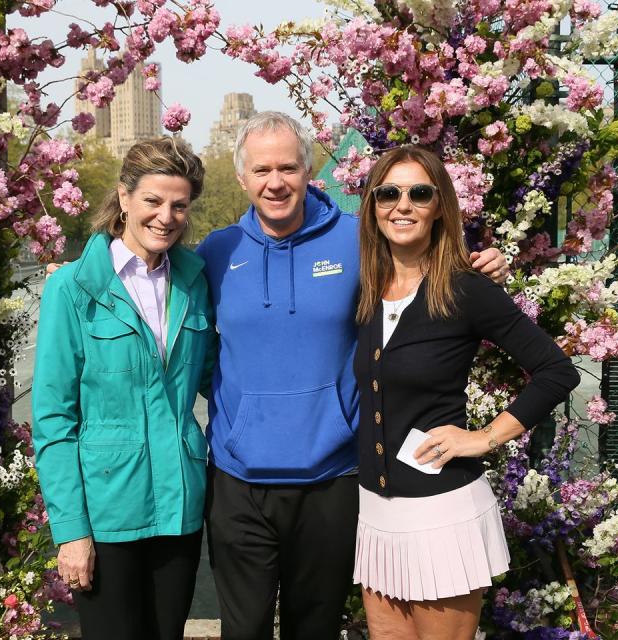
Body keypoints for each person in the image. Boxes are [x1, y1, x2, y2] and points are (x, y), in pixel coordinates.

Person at [195, 113, 510, 640]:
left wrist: (484, 265)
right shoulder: (216, 252)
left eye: (289, 168)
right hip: (238, 480)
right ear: (243, 178)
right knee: (242, 630)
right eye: (262, 170)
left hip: (332, 479)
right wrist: (246, 411)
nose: (277, 182)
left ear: (310, 168)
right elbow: (193, 345)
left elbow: (425, 261)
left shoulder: (359, 241)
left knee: (314, 628)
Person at [351, 146, 580, 639]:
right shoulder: (367, 289)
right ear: (372, 206)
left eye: (419, 193)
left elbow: (556, 371)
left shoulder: (465, 289)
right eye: (388, 193)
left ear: (440, 206)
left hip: (440, 511)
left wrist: (485, 437)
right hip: (376, 511)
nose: (402, 205)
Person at [31, 137, 216, 640]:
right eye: (154, 201)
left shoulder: (194, 283)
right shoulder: (72, 288)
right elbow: (52, 421)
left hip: (179, 508)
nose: (166, 216)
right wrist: (71, 531)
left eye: (179, 205)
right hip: (108, 510)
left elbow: (219, 377)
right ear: (125, 197)